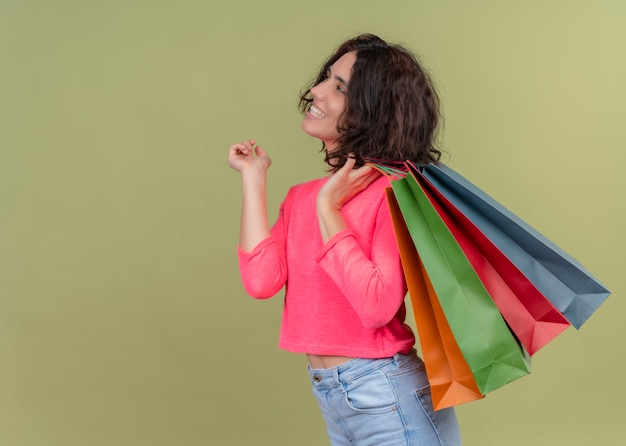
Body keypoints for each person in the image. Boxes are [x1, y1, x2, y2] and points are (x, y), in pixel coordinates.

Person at [228, 33, 461, 445]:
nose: (316, 91)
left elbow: (377, 306)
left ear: (372, 112)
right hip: (334, 398)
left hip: (387, 395)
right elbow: (261, 282)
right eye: (325, 78)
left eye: (339, 87)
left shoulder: (393, 194)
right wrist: (253, 178)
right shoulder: (302, 198)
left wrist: (329, 210)